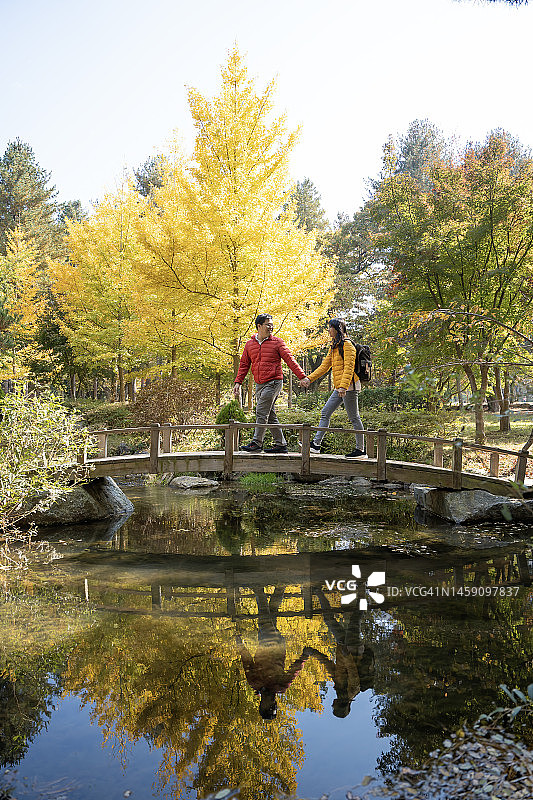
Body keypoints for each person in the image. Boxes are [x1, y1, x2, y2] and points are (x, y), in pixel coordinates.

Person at [233, 314, 306, 453]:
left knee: (260, 411)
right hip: (259, 384)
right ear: (259, 326)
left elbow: (290, 360)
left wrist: (302, 376)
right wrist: (238, 382)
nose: (271, 326)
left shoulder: (277, 342)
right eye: (267, 324)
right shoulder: (250, 344)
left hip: (274, 382)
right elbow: (244, 365)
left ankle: (257, 443)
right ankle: (281, 444)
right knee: (270, 414)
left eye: (272, 324)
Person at [236, 586, 310, 720]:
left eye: (270, 707)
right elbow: (293, 671)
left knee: (271, 614)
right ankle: (259, 589)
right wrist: (304, 656)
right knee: (264, 618)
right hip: (275, 645)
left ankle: (280, 587)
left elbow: (247, 662)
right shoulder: (280, 686)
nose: (273, 704)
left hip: (263, 642)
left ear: (262, 705)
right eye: (274, 706)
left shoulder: (255, 683)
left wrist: (240, 645)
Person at [300, 318, 368, 459]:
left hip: (349, 386)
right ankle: (316, 445)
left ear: (337, 329)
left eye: (330, 328)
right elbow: (325, 366)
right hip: (340, 388)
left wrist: (343, 386)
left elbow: (349, 367)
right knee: (325, 412)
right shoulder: (335, 346)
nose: (328, 330)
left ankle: (360, 451)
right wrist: (309, 379)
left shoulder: (348, 345)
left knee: (354, 417)